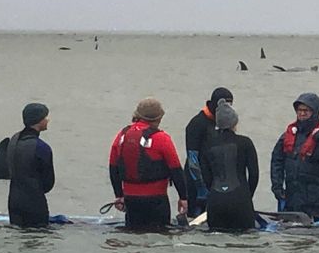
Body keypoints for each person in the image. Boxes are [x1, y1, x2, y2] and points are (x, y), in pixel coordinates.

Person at [108, 98, 187, 230]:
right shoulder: (162, 138)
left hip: (131, 202)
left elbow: (113, 168)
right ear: (158, 118)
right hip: (157, 201)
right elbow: (176, 169)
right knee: (159, 241)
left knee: (133, 238)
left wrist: (119, 196)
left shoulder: (122, 135)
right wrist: (183, 198)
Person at [269, 93, 319, 220]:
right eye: (299, 110)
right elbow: (276, 161)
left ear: (314, 112)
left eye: (306, 110)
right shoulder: (287, 135)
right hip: (291, 197)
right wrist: (277, 186)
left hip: (316, 200)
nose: (302, 113)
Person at [201, 99, 259, 230]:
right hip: (240, 200)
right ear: (235, 122)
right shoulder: (245, 143)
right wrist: (247, 196)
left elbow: (206, 176)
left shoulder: (208, 145)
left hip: (215, 201)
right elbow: (254, 174)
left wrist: (214, 192)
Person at [184, 87, 234, 217]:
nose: (226, 108)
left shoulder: (223, 123)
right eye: (224, 104)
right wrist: (200, 187)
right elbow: (192, 158)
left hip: (215, 182)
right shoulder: (197, 124)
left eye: (230, 105)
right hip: (196, 182)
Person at [7, 103, 55, 228]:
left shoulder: (13, 140)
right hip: (34, 204)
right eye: (45, 117)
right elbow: (48, 183)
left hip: (13, 202)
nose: (47, 120)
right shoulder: (42, 148)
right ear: (38, 121)